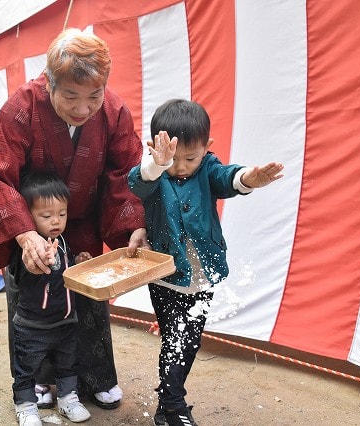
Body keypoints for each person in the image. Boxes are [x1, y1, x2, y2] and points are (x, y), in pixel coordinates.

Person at [0, 27, 149, 410]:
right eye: (71, 95)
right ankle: (36, 381)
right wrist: (24, 235)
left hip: (84, 221)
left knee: (88, 301)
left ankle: (96, 378)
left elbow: (126, 172)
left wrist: (134, 222)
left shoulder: (114, 110)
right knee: (31, 305)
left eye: (94, 96)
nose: (83, 108)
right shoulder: (21, 107)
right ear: (49, 82)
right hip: (32, 223)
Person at [127, 99, 284, 426]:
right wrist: (158, 165)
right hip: (166, 276)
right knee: (175, 339)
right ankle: (173, 407)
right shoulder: (155, 174)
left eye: (190, 158)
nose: (181, 167)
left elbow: (228, 177)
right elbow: (138, 183)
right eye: (173, 159)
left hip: (203, 275)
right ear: (155, 147)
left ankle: (167, 405)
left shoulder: (208, 168)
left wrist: (248, 178)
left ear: (206, 148)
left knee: (191, 340)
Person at [10, 171, 92, 425]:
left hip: (66, 322)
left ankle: (68, 400)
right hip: (32, 326)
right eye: (46, 216)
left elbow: (66, 270)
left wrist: (79, 261)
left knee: (68, 365)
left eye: (62, 214)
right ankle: (25, 406)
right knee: (26, 369)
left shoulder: (63, 241)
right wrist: (39, 262)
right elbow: (21, 273)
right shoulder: (25, 249)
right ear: (29, 216)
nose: (55, 221)